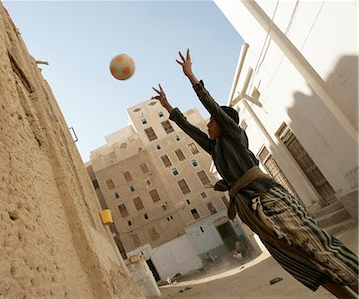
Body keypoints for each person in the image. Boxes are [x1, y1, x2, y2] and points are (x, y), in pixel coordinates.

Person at [151, 49, 358, 298]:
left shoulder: (235, 135)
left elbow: (213, 107)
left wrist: (190, 76)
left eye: (212, 121)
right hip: (251, 210)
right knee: (301, 263)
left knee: (317, 248)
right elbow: (189, 129)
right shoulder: (216, 147)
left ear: (225, 123)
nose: (207, 124)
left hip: (269, 198)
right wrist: (168, 107)